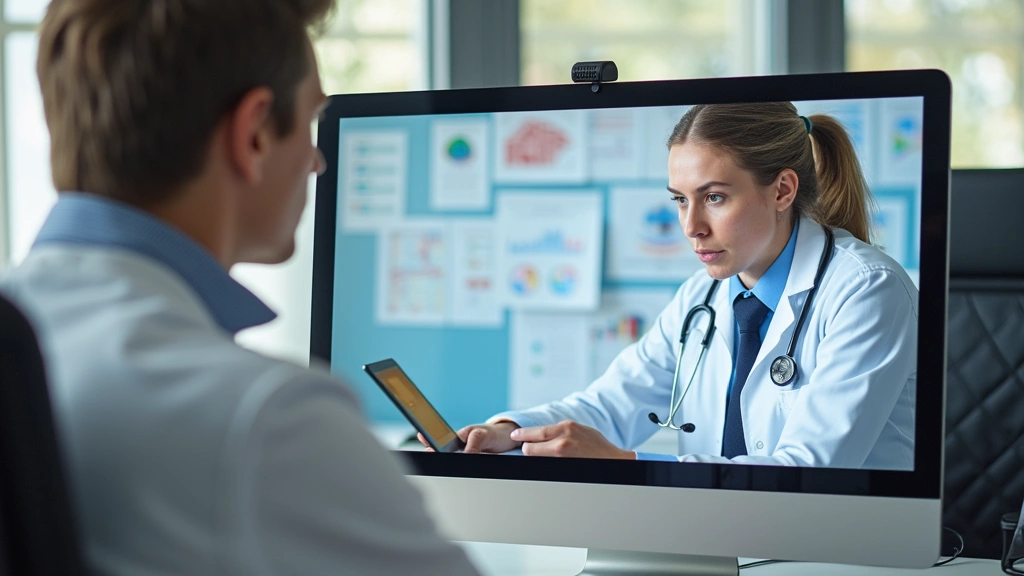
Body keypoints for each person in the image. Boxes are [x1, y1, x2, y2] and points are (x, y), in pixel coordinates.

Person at [0, 1, 480, 575]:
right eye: (309, 122)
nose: (317, 161)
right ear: (253, 133)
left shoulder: (24, 335)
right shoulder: (271, 422)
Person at [434, 102, 917, 470]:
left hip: (839, 555)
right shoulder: (700, 298)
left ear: (782, 190)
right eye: (679, 200)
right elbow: (612, 404)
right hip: (723, 545)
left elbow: (808, 469)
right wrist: (509, 431)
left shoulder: (867, 291)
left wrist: (628, 468)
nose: (691, 226)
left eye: (714, 197)